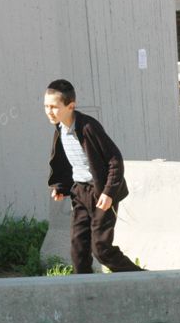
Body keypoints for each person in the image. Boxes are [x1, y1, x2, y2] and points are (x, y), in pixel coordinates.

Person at [44, 79, 142, 274]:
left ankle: (140, 279)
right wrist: (61, 187)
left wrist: (109, 192)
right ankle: (85, 291)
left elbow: (115, 160)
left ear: (71, 106)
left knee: (101, 249)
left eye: (54, 107)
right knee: (78, 248)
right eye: (46, 106)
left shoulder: (88, 127)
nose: (49, 111)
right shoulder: (60, 128)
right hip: (80, 192)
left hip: (101, 194)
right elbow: (66, 160)